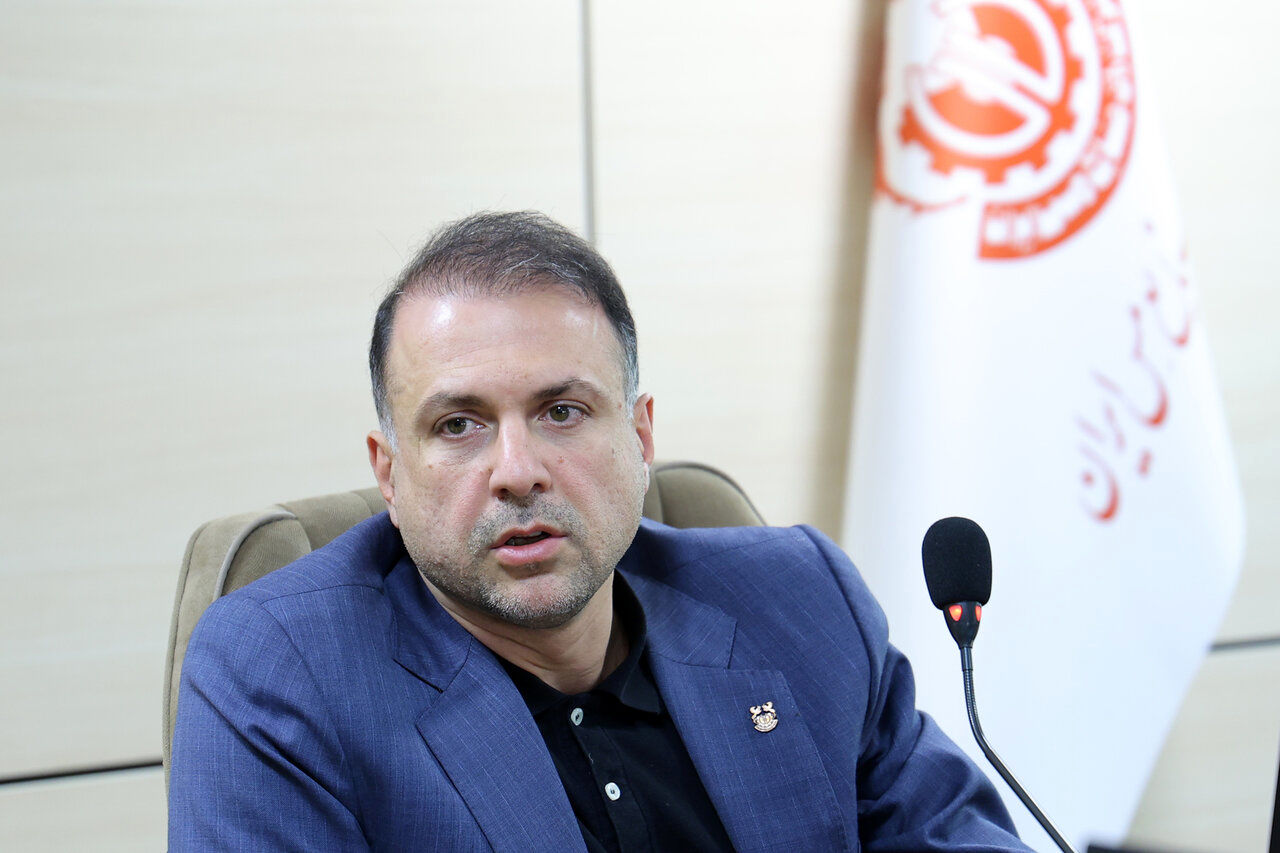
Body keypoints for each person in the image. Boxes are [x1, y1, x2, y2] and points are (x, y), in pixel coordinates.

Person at [168, 211, 1030, 851]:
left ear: (642, 438)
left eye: (562, 410)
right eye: (459, 425)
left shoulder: (799, 599)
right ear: (389, 474)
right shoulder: (282, 676)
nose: (516, 470)